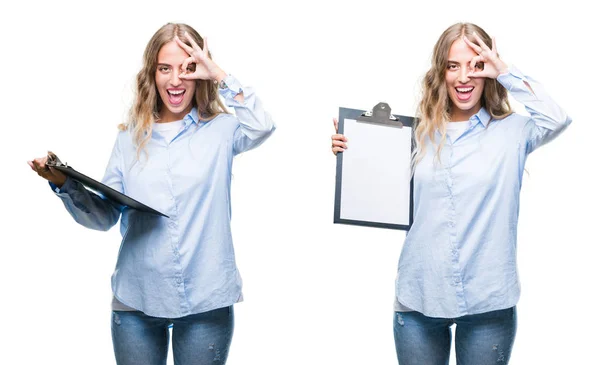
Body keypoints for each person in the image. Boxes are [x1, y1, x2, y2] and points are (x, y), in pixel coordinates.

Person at [28, 23, 275, 365]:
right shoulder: (129, 139)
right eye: (165, 69)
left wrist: (217, 72)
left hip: (206, 298)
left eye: (187, 69)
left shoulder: (222, 130)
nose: (175, 80)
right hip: (136, 300)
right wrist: (63, 183)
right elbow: (104, 218)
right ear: (152, 74)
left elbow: (262, 125)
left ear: (201, 73)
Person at [331, 22, 571, 364]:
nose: (464, 77)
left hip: (488, 303)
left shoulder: (514, 132)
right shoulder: (415, 134)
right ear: (440, 72)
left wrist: (504, 71)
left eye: (475, 65)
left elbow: (557, 117)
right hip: (419, 299)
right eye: (452, 65)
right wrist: (353, 152)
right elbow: (376, 186)